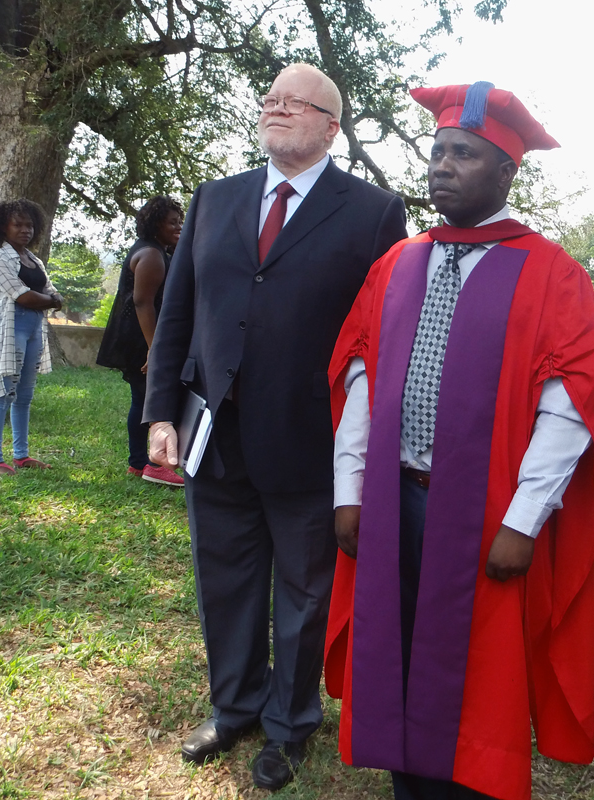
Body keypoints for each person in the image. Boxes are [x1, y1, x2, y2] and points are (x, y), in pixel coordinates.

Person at [324, 82, 594, 800]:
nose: (442, 166)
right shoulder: (397, 263)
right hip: (394, 498)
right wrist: (350, 492)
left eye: (464, 154)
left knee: (474, 667)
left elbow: (567, 409)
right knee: (394, 652)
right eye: (438, 151)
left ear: (507, 171)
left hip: (487, 508)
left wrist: (523, 520)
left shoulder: (552, 274)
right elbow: (359, 381)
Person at [142, 63, 407, 791]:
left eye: (297, 102)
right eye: (270, 99)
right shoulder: (215, 198)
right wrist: (160, 412)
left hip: (311, 439)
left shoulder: (374, 212)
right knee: (223, 580)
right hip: (214, 433)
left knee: (303, 591)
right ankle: (234, 708)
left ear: (331, 127)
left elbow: (382, 335)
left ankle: (290, 724)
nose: (277, 107)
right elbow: (177, 314)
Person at [96, 196, 185, 486]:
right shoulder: (150, 255)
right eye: (172, 222)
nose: (179, 226)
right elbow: (143, 303)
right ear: (156, 224)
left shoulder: (158, 251)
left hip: (141, 336)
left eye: (180, 221)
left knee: (143, 397)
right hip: (141, 338)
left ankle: (139, 463)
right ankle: (148, 464)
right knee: (148, 399)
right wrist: (154, 349)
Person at [0, 200, 63, 475]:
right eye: (18, 225)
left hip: (34, 330)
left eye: (29, 225)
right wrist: (52, 300)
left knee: (24, 396)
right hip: (10, 330)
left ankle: (21, 455)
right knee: (2, 394)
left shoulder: (33, 259)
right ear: (3, 228)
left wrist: (50, 298)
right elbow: (24, 296)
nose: (25, 230)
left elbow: (49, 290)